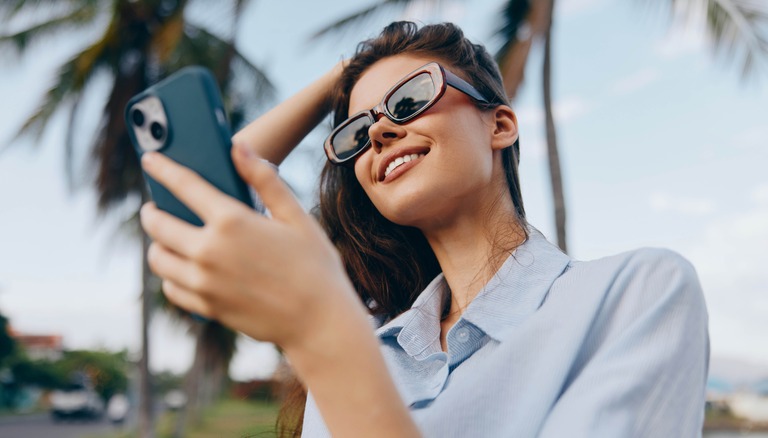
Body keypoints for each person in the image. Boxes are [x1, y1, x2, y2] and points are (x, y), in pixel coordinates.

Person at [138, 21, 709, 438]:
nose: (381, 131)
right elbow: (214, 196)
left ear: (501, 124)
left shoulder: (637, 294)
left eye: (411, 99)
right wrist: (350, 72)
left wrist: (324, 336)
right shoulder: (368, 339)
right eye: (356, 132)